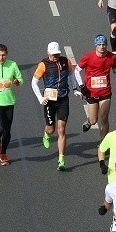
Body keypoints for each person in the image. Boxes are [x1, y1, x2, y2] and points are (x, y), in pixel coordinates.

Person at [32, 42, 74, 171]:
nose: (56, 56)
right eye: (53, 54)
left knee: (61, 129)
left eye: (57, 54)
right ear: (48, 53)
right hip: (49, 100)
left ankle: (61, 159)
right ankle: (46, 134)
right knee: (51, 129)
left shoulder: (66, 61)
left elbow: (71, 76)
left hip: (63, 99)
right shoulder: (43, 64)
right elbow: (34, 82)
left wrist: (76, 89)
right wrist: (40, 98)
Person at [76, 35, 116, 137]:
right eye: (99, 44)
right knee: (94, 120)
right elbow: (76, 71)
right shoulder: (88, 57)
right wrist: (82, 86)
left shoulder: (112, 57)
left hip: (105, 92)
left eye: (104, 44)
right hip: (91, 92)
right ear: (96, 45)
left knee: (104, 118)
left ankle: (103, 143)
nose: (102, 47)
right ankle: (89, 122)